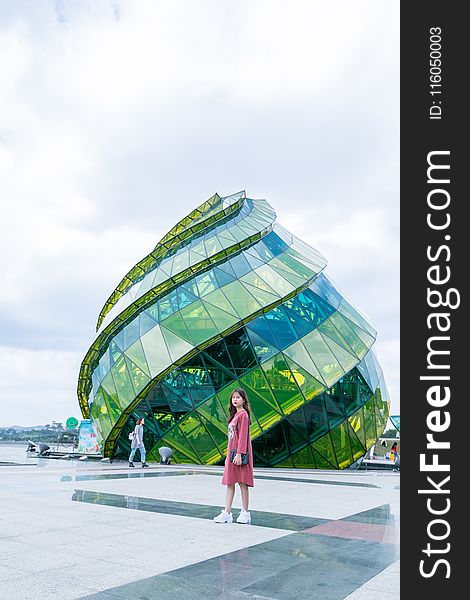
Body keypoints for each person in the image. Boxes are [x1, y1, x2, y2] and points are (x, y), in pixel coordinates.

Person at [213, 388, 254, 525]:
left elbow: (243, 436)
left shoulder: (243, 415)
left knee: (243, 483)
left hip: (239, 454)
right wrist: (228, 455)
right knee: (230, 482)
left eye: (238, 397)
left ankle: (245, 512)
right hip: (231, 454)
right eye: (233, 398)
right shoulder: (235, 415)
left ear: (243, 399)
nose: (235, 400)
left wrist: (239, 454)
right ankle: (227, 512)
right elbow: (232, 438)